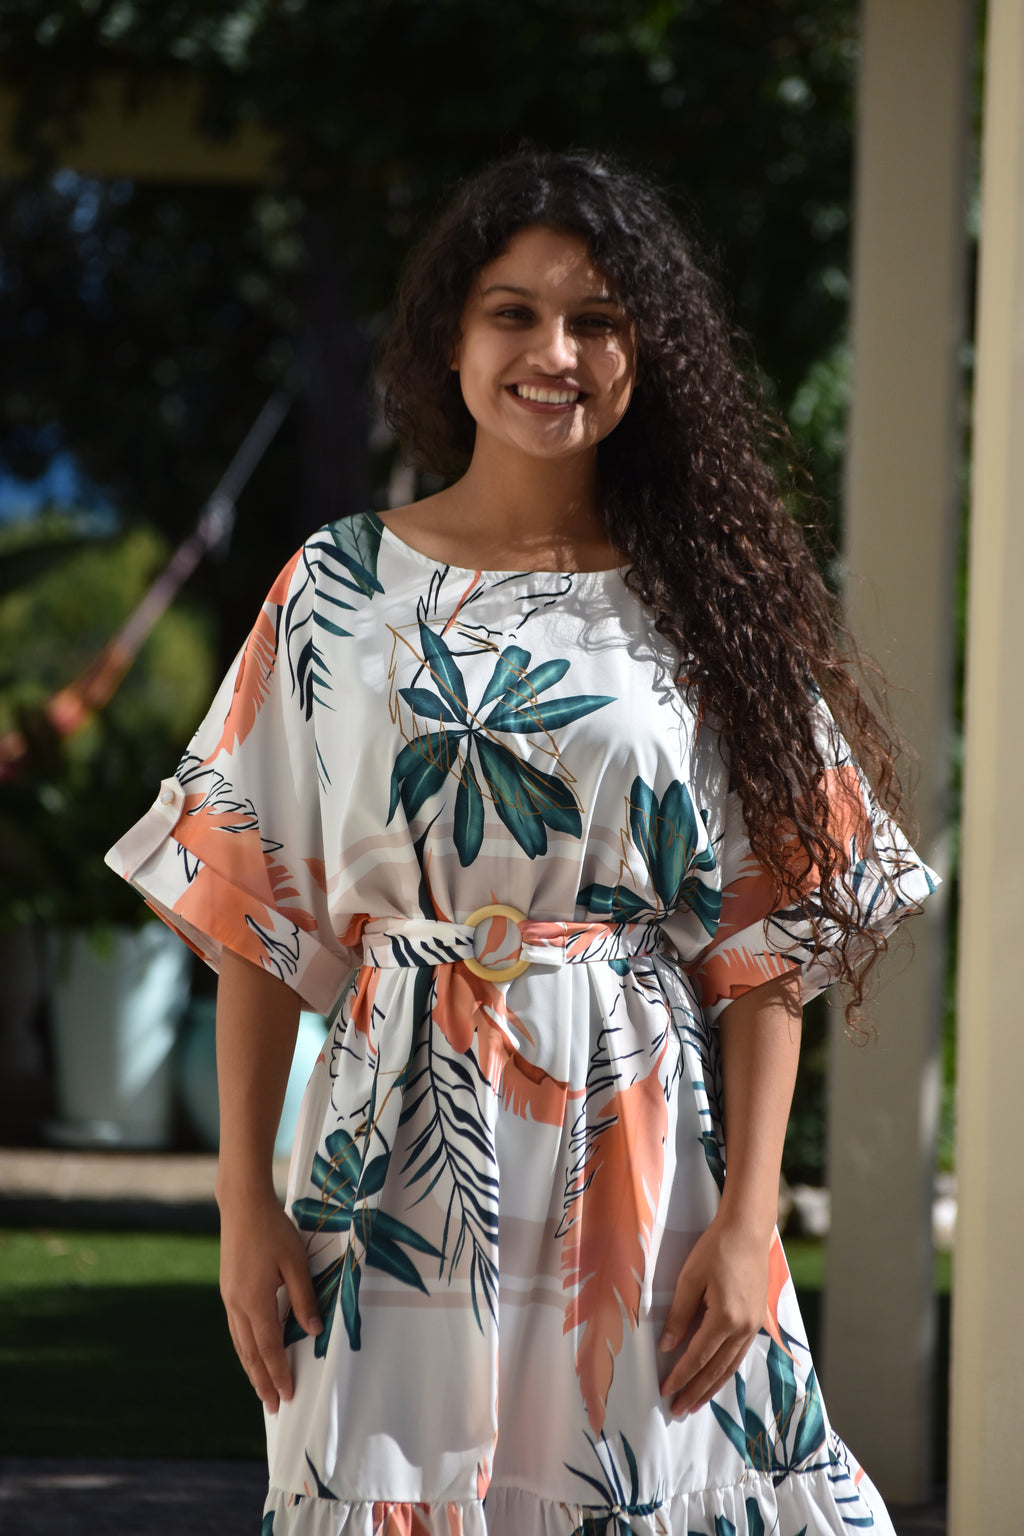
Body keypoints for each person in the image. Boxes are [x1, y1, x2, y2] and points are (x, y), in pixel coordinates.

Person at [107, 150, 938, 1536]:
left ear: (645, 354)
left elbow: (773, 938)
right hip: (389, 1153)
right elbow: (255, 909)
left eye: (599, 320)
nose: (556, 352)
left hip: (642, 1158)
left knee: (668, 1488)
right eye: (514, 311)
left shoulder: (706, 606)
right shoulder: (339, 591)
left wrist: (751, 1225)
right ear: (453, 335)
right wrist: (241, 1204)